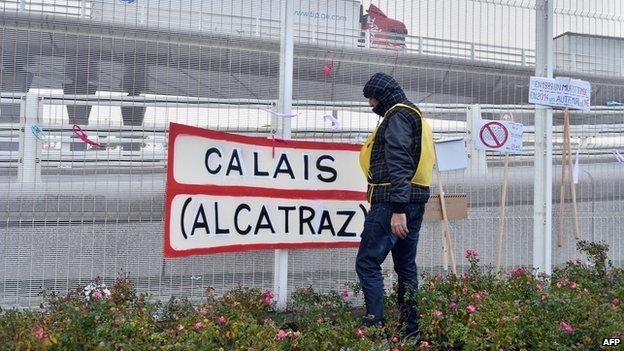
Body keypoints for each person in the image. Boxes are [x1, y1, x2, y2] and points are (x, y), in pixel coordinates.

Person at [356, 72, 435, 337]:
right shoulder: (416, 114)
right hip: (413, 200)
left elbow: (398, 160)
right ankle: (410, 330)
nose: (371, 104)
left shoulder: (397, 115)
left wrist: (397, 209)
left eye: (373, 98)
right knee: (405, 267)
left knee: (367, 262)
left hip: (392, 202)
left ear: (384, 96)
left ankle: (373, 328)